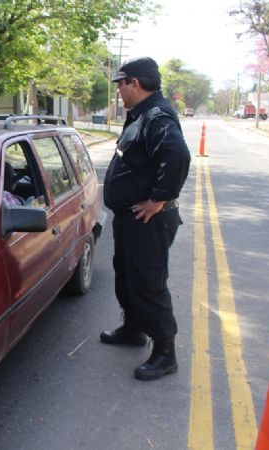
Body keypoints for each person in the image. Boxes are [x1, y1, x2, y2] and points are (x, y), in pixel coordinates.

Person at [100, 56, 192, 381]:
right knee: (127, 277)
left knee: (149, 284)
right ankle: (133, 330)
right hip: (131, 221)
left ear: (134, 84)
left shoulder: (156, 115)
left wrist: (158, 198)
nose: (118, 92)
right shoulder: (141, 114)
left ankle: (166, 354)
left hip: (148, 221)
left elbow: (178, 155)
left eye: (120, 85)